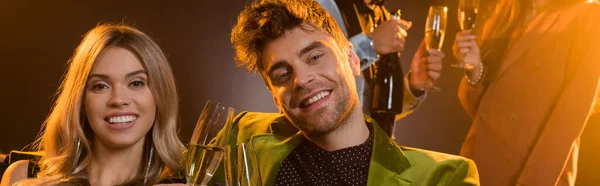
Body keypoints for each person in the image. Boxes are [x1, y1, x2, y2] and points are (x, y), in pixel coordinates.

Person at [210, 0, 479, 185]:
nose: (301, 80)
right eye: (283, 74)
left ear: (351, 61)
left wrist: (412, 87)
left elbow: (357, 98)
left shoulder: (443, 177)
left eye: (314, 57)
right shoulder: (239, 135)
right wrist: (370, 44)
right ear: (274, 97)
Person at [0, 24, 186, 186]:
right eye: (100, 86)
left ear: (160, 94)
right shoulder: (23, 176)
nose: (118, 99)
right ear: (80, 101)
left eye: (136, 83)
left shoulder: (189, 181)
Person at [453, 0, 600, 185]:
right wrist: (474, 69)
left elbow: (566, 125)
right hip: (477, 167)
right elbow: (480, 111)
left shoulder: (589, 16)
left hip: (528, 175)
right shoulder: (506, 12)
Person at [316, 0, 444, 136]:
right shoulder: (318, 5)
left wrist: (414, 86)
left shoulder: (382, 14)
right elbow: (313, 77)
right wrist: (370, 44)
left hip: (374, 150)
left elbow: (373, 108)